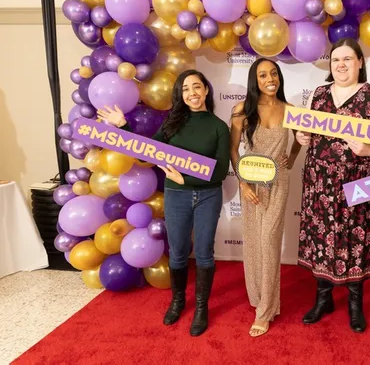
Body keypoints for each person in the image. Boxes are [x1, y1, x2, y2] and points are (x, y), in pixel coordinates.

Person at [97, 69, 231, 337]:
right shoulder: (173, 122)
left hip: (208, 196)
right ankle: (179, 301)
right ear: (181, 95)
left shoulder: (219, 127)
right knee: (179, 251)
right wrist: (123, 126)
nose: (192, 93)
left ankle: (202, 308)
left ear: (206, 90)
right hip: (176, 196)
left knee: (204, 252)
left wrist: (185, 179)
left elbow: (219, 172)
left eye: (197, 87)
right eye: (186, 89)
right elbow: (147, 152)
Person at [295, 37, 370, 332]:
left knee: (356, 240)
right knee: (322, 238)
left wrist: (369, 150)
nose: (340, 64)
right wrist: (301, 138)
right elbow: (307, 132)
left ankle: (355, 304)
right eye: (336, 59)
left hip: (361, 182)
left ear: (360, 62)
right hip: (321, 183)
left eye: (347, 59)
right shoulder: (318, 93)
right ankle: (323, 299)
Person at [230, 58, 302, 337]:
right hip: (251, 182)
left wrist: (292, 157)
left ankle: (265, 311)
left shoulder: (291, 110)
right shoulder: (242, 110)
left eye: (274, 73)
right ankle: (259, 297)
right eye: (262, 75)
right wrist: (242, 182)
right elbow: (234, 150)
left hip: (279, 182)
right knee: (254, 243)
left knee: (270, 242)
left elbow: (301, 139)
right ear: (255, 80)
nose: (270, 78)